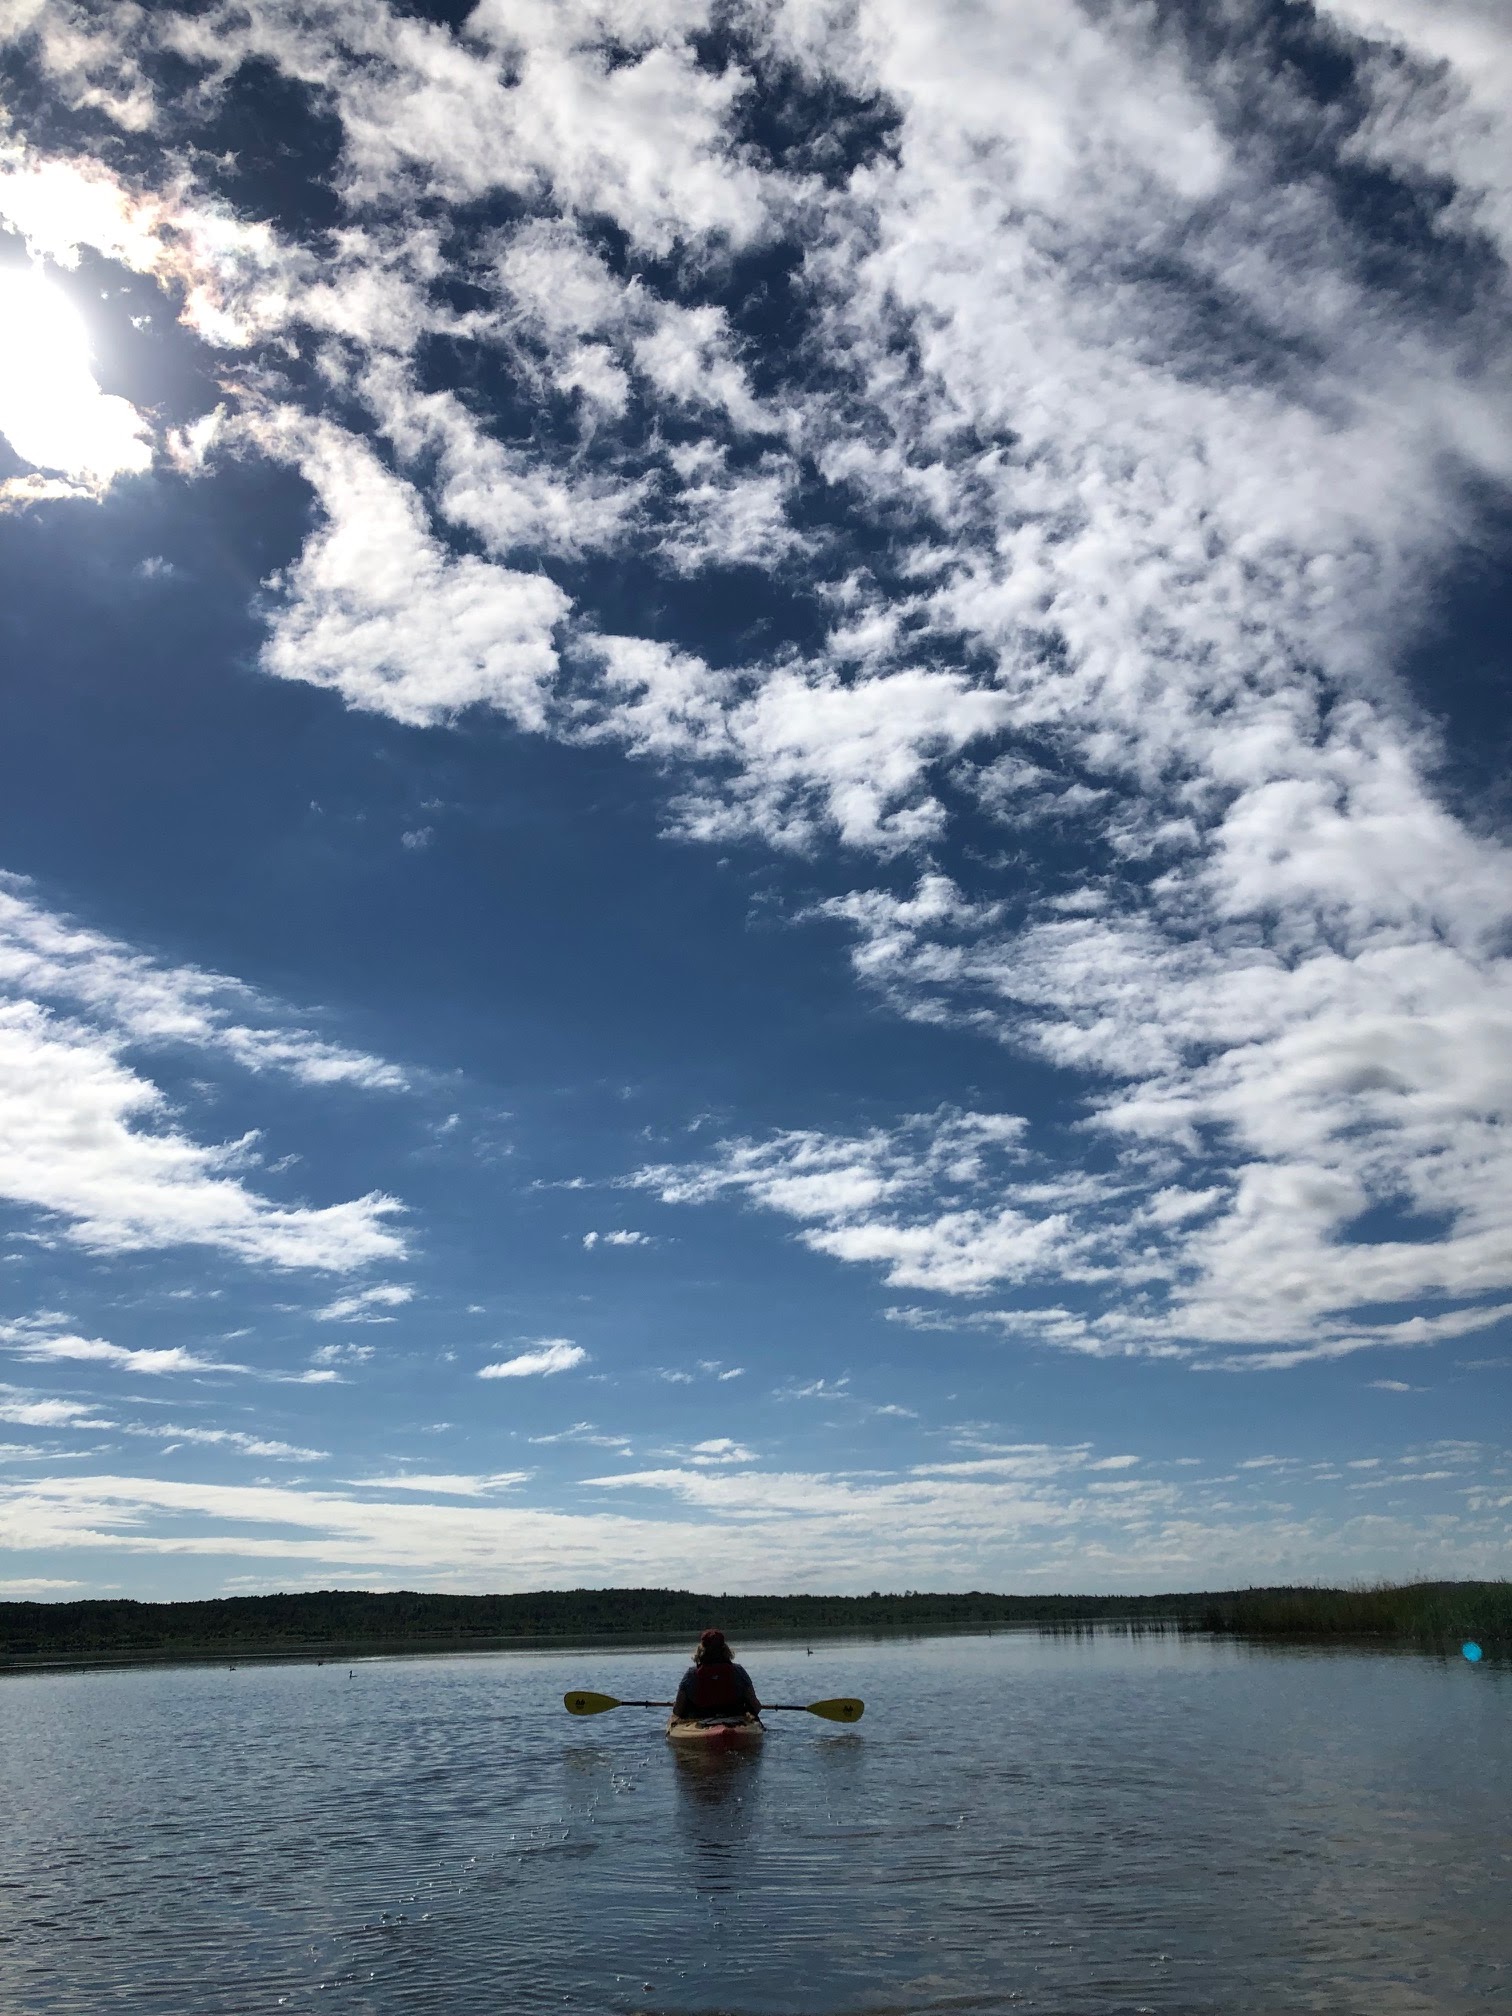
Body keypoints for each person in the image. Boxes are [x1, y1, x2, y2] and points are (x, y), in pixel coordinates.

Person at [672, 1628, 762, 1720]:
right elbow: (756, 1707)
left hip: (700, 1720)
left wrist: (676, 1705)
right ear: (724, 1649)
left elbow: (677, 1711)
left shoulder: (691, 1675)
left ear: (701, 1650)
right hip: (734, 1718)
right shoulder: (738, 1672)